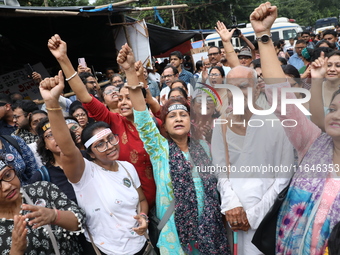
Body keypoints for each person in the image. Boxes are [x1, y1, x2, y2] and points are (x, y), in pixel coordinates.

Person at [117, 43, 230, 254]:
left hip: (211, 231)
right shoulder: (160, 150)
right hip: (175, 236)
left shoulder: (205, 147)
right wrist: (130, 73)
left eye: (183, 115)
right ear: (164, 124)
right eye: (172, 116)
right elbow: (142, 117)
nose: (178, 119)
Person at [250, 2, 340, 254]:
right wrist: (263, 37)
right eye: (332, 109)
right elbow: (280, 97)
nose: (336, 115)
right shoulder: (312, 143)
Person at [39, 70, 149, 255]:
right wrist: (51, 103)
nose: (110, 146)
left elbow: (142, 200)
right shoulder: (84, 174)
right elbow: (67, 147)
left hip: (143, 246)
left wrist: (144, 216)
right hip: (107, 251)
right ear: (89, 152)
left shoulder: (127, 167)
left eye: (111, 139)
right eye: (100, 144)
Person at [211, 19, 294, 254]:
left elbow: (283, 178)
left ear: (257, 88)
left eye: (243, 87)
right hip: (234, 217)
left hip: (267, 219)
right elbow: (221, 171)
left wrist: (253, 215)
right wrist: (232, 204)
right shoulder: (222, 125)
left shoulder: (277, 124)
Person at [47, 34, 156, 208]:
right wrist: (63, 59)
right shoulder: (114, 122)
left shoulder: (154, 125)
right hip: (128, 207)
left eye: (129, 97)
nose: (123, 102)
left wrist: (132, 72)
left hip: (165, 201)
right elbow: (84, 95)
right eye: (119, 99)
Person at [0, 153, 85, 254]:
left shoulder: (42, 190)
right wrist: (16, 250)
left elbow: (80, 219)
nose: (6, 186)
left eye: (7, 175)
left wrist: (55, 216)